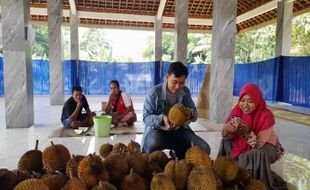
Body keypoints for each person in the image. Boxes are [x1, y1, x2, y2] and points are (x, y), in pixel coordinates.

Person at [217, 83, 287, 190]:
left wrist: (248, 132)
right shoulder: (237, 111)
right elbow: (227, 133)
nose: (245, 105)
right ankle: (228, 169)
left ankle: (256, 177)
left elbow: (258, 144)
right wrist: (226, 130)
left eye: (250, 101)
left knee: (258, 153)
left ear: (257, 100)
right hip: (244, 143)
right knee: (226, 141)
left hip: (266, 146)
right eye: (242, 100)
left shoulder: (266, 115)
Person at [142, 61, 211, 158]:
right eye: (174, 82)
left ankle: (177, 153)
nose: (178, 86)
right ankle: (149, 152)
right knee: (152, 143)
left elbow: (194, 113)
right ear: (167, 77)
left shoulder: (185, 92)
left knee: (204, 149)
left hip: (179, 132)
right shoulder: (154, 93)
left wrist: (189, 113)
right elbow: (146, 117)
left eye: (182, 83)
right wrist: (163, 119)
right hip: (158, 132)